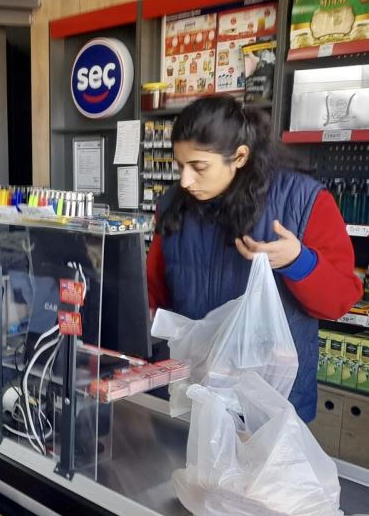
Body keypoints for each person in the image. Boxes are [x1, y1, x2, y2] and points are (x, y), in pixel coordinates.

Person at [148, 95, 362, 422]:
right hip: (192, 393)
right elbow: (154, 291)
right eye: (180, 165)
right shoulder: (173, 206)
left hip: (269, 406)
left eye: (198, 167)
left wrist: (298, 261)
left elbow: (340, 301)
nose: (185, 181)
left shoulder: (303, 201)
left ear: (239, 157)